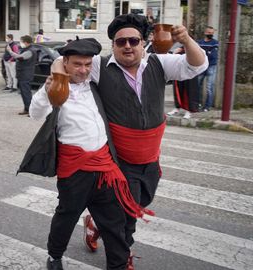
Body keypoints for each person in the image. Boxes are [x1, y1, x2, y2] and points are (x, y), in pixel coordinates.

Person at [49, 14, 208, 269]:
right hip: (118, 161)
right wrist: (58, 78)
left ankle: (94, 225)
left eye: (133, 40)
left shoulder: (159, 63)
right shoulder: (100, 66)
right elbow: (62, 60)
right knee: (127, 216)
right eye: (120, 41)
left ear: (143, 42)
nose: (127, 46)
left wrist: (186, 39)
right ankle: (123, 257)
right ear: (113, 45)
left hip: (150, 159)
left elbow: (197, 66)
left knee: (138, 204)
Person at [25, 37, 146, 270]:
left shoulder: (94, 84)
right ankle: (55, 256)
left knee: (114, 222)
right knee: (67, 216)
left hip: (105, 168)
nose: (83, 70)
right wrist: (48, 88)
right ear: (66, 64)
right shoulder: (57, 88)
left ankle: (119, 265)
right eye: (77, 64)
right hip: (74, 171)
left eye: (87, 64)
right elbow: (36, 114)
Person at [167, 47, 201, 119]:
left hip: (191, 72)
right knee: (178, 90)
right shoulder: (179, 47)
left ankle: (189, 111)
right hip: (179, 70)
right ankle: (177, 107)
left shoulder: (194, 46)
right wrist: (174, 53)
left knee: (189, 91)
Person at [6, 35, 37, 115]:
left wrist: (10, 51)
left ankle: (31, 110)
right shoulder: (26, 49)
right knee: (23, 93)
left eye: (21, 41)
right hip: (22, 74)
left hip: (26, 74)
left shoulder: (30, 51)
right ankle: (26, 109)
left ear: (26, 42)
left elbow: (20, 57)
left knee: (26, 93)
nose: (20, 43)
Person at [197, 26, 219, 112]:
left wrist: (203, 53)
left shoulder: (215, 43)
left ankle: (207, 106)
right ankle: (198, 104)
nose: (211, 34)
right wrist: (207, 52)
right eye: (209, 33)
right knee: (198, 86)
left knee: (209, 87)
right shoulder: (199, 42)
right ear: (205, 32)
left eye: (212, 33)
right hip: (201, 66)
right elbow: (197, 53)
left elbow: (213, 55)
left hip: (211, 66)